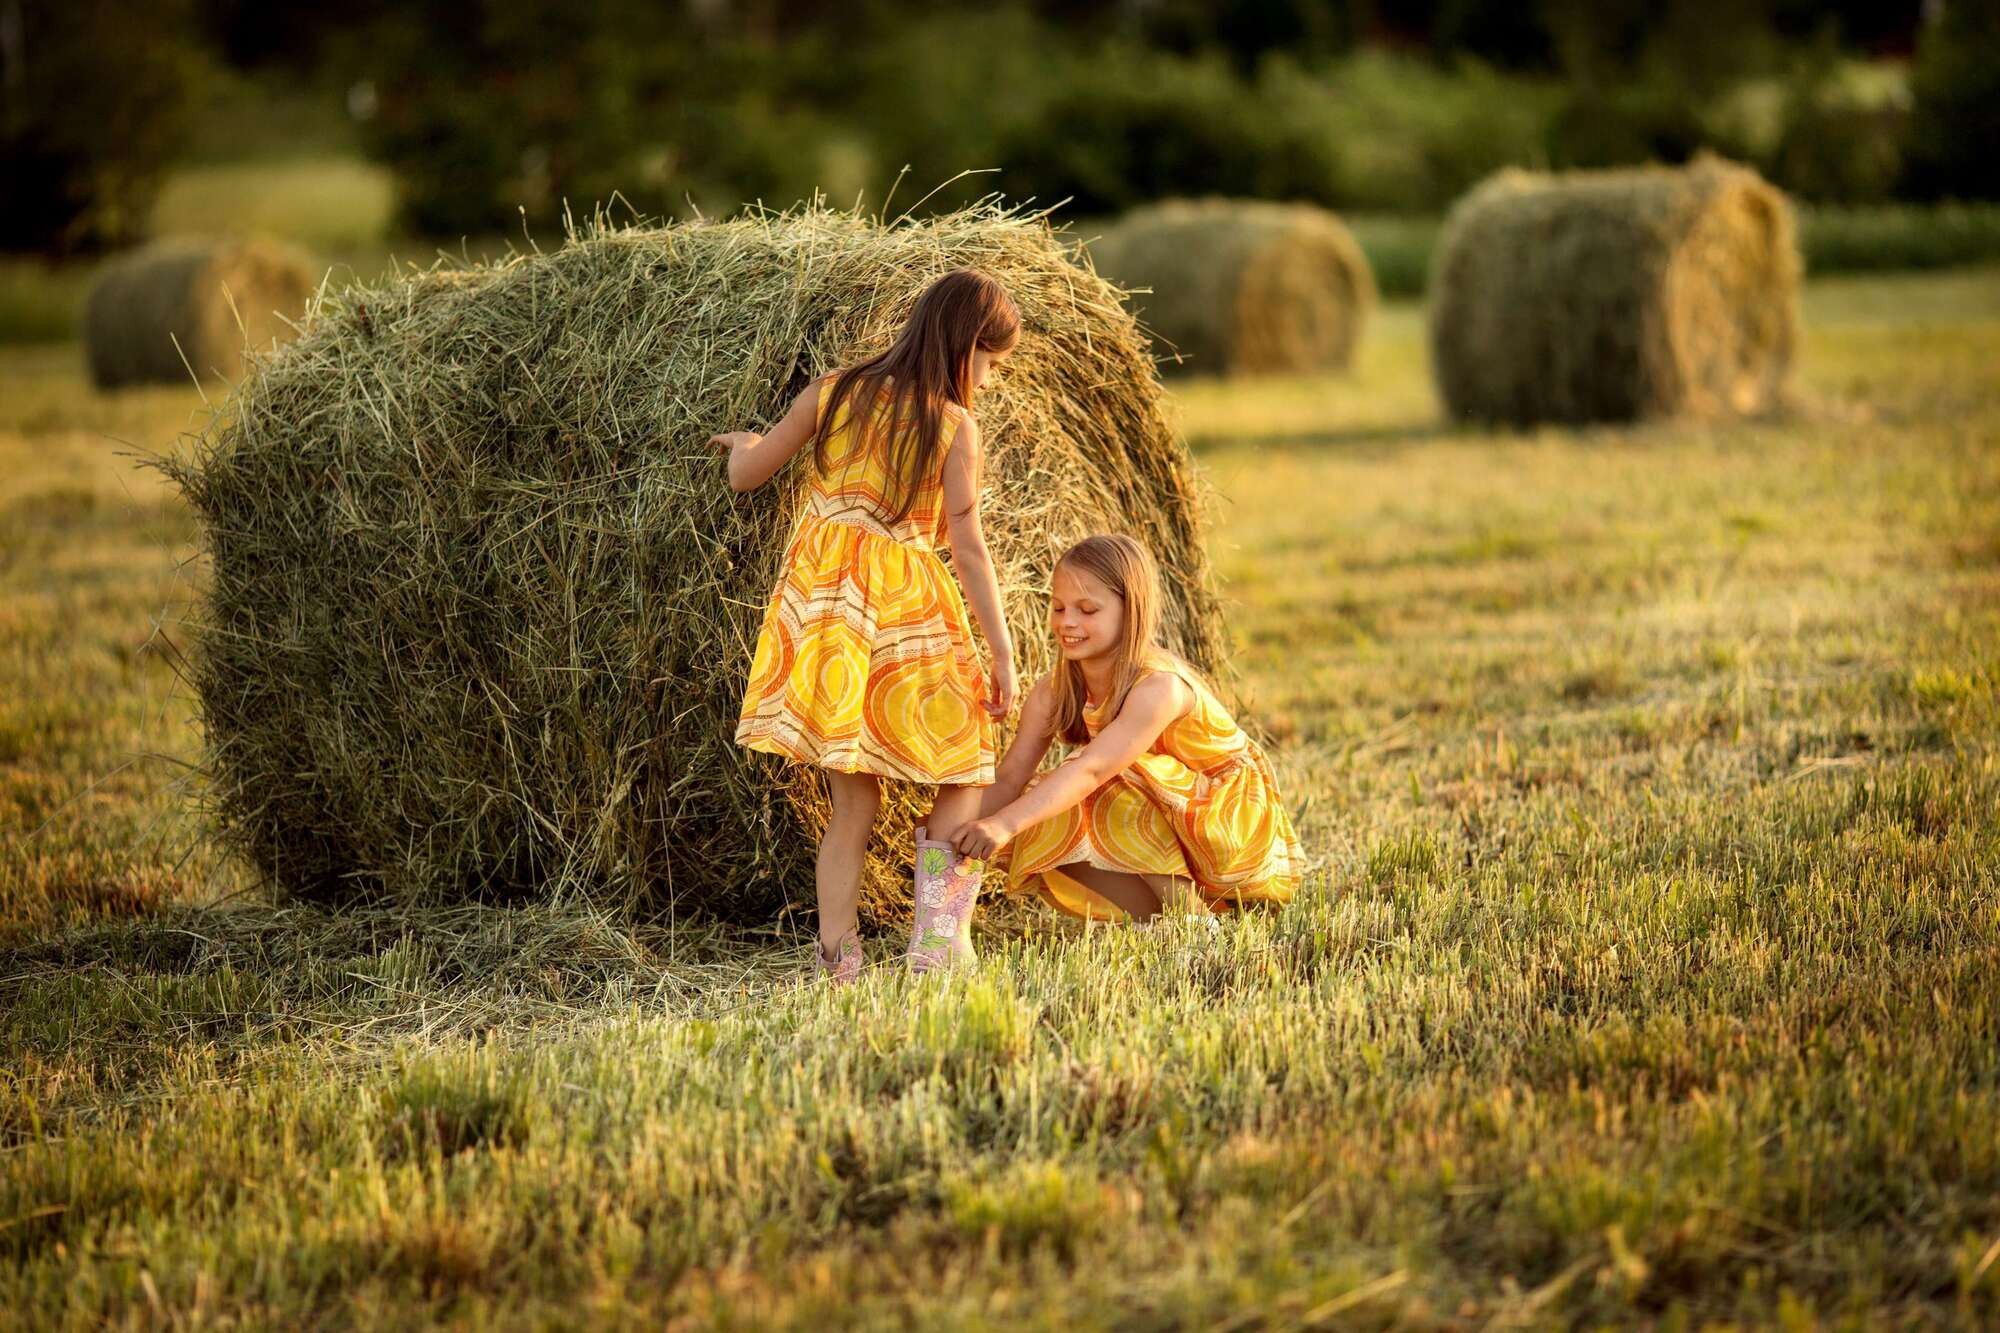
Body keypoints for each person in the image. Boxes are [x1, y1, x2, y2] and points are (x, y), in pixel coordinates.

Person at [712, 269, 1019, 982]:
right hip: (907, 604)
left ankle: (837, 958)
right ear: (966, 347)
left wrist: (743, 444)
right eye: (992, 365)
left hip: (827, 612)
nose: (992, 380)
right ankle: (938, 941)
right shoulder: (952, 425)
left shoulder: (836, 389)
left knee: (853, 797)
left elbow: (749, 475)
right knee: (966, 754)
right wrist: (1000, 650)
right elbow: (968, 548)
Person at [953, 533, 1300, 922]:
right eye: (1058, 607)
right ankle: (1157, 919)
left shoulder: (1159, 687)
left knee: (1108, 775)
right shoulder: (1054, 692)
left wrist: (1003, 824)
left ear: (1130, 610)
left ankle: (1194, 922)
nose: (1068, 622)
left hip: (1232, 815)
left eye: (1087, 610)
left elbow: (1094, 769)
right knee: (1041, 799)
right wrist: (945, 830)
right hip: (1173, 815)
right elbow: (1011, 779)